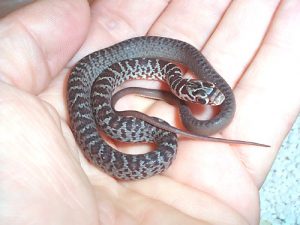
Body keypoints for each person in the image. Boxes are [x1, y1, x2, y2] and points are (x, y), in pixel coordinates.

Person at [0, 1, 299, 225]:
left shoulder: (172, 71)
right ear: (186, 91)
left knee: (164, 137)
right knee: (115, 113)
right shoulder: (104, 80)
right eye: (205, 95)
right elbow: (107, 112)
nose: (213, 98)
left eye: (208, 95)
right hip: (102, 94)